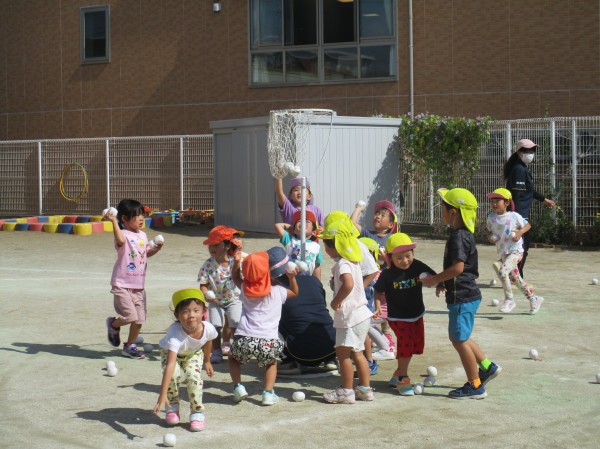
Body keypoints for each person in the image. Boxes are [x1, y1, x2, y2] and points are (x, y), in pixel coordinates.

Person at [420, 188, 501, 399]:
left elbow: (458, 268)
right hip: (466, 295)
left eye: (443, 208)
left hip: (463, 297)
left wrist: (434, 280)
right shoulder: (463, 235)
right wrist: (443, 282)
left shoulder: (458, 237)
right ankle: (487, 366)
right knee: (460, 337)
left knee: (459, 340)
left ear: (453, 212)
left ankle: (475, 385)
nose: (441, 211)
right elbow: (457, 270)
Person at [228, 247, 299, 406]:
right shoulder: (278, 290)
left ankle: (238, 386)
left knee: (233, 359)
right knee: (271, 364)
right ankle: (267, 393)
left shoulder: (245, 289)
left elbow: (235, 277)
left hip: (244, 337)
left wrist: (237, 264)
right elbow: (295, 293)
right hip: (269, 339)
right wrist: (292, 278)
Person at [318, 217, 375, 404]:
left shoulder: (343, 263)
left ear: (334, 245)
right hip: (362, 315)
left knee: (343, 355)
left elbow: (348, 284)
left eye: (326, 244)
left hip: (349, 317)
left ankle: (346, 391)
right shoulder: (353, 261)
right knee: (358, 353)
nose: (325, 248)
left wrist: (336, 301)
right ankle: (365, 390)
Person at [373, 232, 436, 396]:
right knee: (405, 343)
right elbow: (377, 291)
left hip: (416, 314)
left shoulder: (417, 266)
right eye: (399, 258)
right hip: (397, 317)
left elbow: (433, 276)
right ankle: (403, 378)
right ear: (390, 257)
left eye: (408, 256)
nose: (405, 261)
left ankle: (398, 373)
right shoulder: (387, 274)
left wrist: (440, 285)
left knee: (416, 346)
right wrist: (378, 306)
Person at [105, 198, 163, 359]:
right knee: (130, 316)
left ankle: (129, 346)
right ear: (124, 218)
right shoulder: (122, 234)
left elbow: (146, 253)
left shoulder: (143, 235)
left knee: (139, 319)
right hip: (122, 284)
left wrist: (156, 249)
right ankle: (113, 324)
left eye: (142, 215)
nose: (141, 218)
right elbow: (120, 241)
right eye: (137, 216)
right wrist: (113, 221)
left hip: (139, 286)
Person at [153, 288, 217, 432]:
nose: (191, 315)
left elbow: (208, 341)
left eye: (196, 310)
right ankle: (172, 406)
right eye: (185, 311)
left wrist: (207, 361)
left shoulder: (208, 328)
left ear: (204, 312)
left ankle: (197, 412)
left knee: (193, 376)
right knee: (173, 374)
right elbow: (170, 365)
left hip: (193, 354)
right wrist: (162, 395)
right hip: (170, 354)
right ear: (177, 315)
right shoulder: (175, 333)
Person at [350, 200, 398, 356]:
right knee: (371, 310)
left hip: (385, 280)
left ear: (390, 224)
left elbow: (396, 260)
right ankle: (372, 341)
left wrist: (385, 258)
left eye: (383, 215)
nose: (378, 216)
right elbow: (352, 224)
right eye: (377, 213)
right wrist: (359, 209)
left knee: (384, 310)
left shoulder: (391, 239)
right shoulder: (367, 234)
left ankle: (386, 339)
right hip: (370, 280)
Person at [486, 188, 544, 314]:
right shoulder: (491, 218)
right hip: (503, 253)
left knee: (502, 272)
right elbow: (489, 232)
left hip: (516, 252)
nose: (494, 203)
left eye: (497, 201)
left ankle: (509, 300)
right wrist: (490, 238)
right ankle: (534, 299)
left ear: (507, 202)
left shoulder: (514, 216)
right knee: (516, 280)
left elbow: (527, 225)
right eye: (492, 201)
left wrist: (519, 232)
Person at [504, 138, 556, 277]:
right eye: (527, 150)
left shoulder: (521, 168)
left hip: (520, 214)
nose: (531, 153)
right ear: (519, 152)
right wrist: (515, 218)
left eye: (533, 150)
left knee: (520, 248)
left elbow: (528, 190)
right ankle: (515, 275)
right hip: (519, 216)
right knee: (522, 248)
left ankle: (513, 273)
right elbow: (516, 195)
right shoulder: (518, 169)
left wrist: (543, 199)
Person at [197, 225, 244, 364]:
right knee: (215, 326)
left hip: (234, 298)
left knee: (235, 322)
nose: (212, 248)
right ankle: (216, 350)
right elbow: (203, 284)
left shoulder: (235, 262)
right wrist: (205, 294)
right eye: (210, 245)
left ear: (227, 245)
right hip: (215, 301)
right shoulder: (208, 264)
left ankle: (237, 349)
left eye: (216, 245)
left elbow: (242, 279)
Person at [278, 275, 337, 374]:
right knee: (320, 314)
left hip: (302, 356)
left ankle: (289, 360)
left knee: (275, 321)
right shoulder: (313, 280)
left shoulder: (277, 289)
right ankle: (330, 359)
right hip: (333, 347)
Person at [274, 209, 323, 280]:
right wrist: (290, 228)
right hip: (290, 278)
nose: (303, 222)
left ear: (313, 232)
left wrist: (317, 282)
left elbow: (317, 266)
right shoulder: (290, 240)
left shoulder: (316, 246)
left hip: (307, 279)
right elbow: (277, 226)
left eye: (307, 221)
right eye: (299, 221)